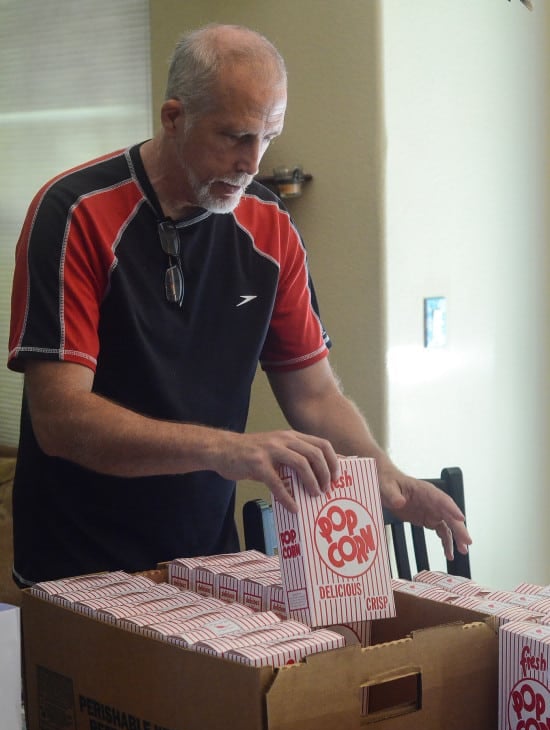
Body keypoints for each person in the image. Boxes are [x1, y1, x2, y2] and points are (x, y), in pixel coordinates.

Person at [7, 23, 471, 587]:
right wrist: (226, 449)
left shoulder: (270, 226)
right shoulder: (76, 212)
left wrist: (387, 477)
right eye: (234, 136)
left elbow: (316, 394)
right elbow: (60, 418)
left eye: (268, 137)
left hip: (204, 558)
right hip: (75, 565)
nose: (252, 162)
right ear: (173, 117)